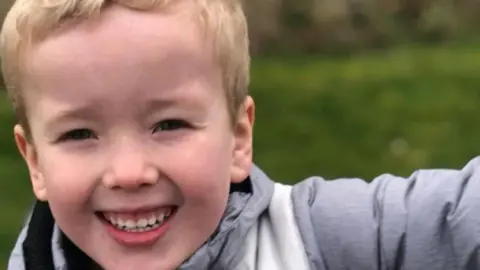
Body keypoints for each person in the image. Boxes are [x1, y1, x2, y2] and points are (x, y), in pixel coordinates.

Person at [2, 0, 480, 269]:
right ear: (36, 163)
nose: (130, 173)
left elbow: (457, 216)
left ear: (238, 138)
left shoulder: (319, 238)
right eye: (81, 133)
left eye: (168, 125)